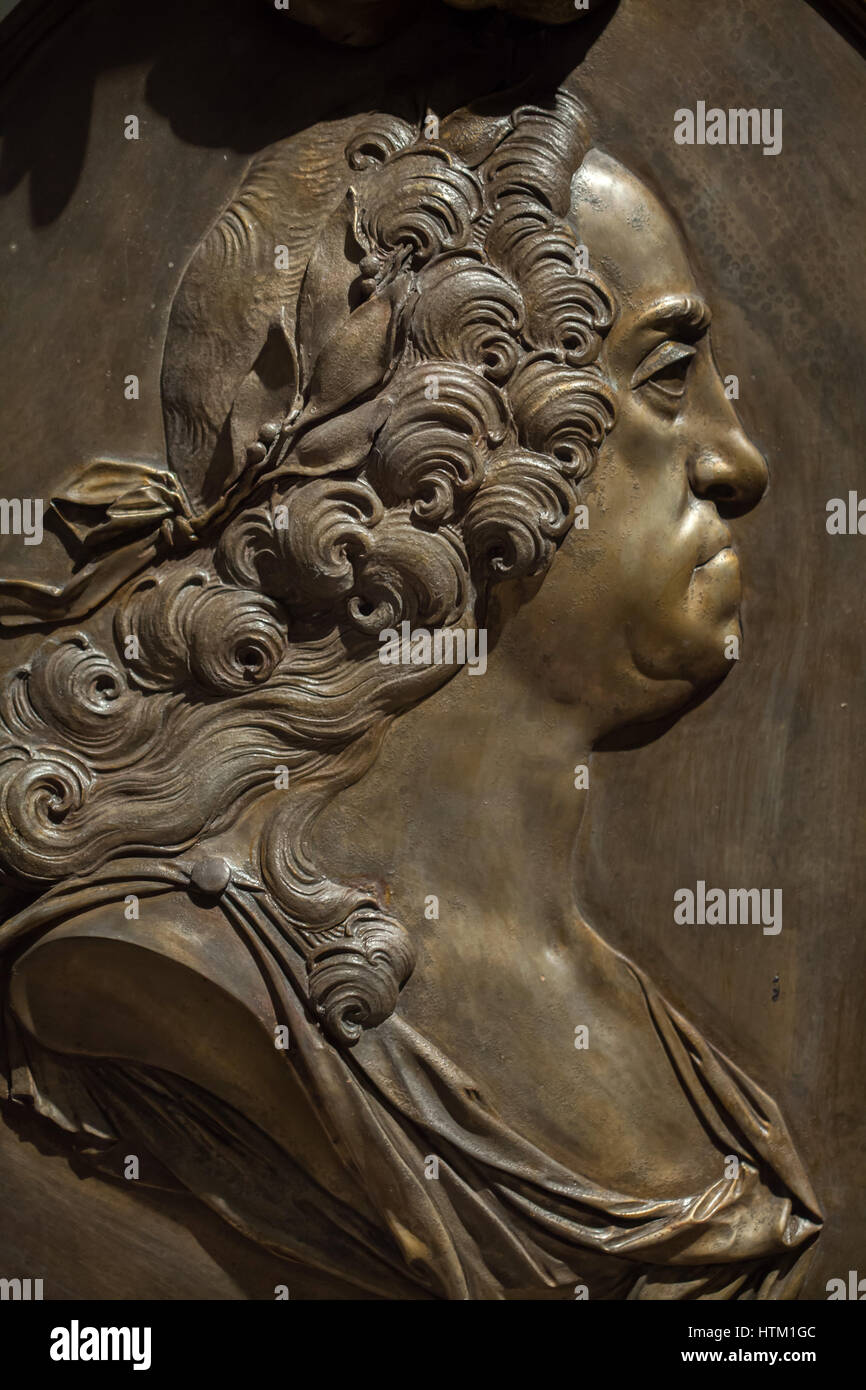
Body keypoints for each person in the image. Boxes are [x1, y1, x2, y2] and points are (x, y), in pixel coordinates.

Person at [0, 91, 821, 1299]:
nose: (733, 460)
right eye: (663, 377)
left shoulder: (644, 1031)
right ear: (442, 452)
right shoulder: (173, 973)